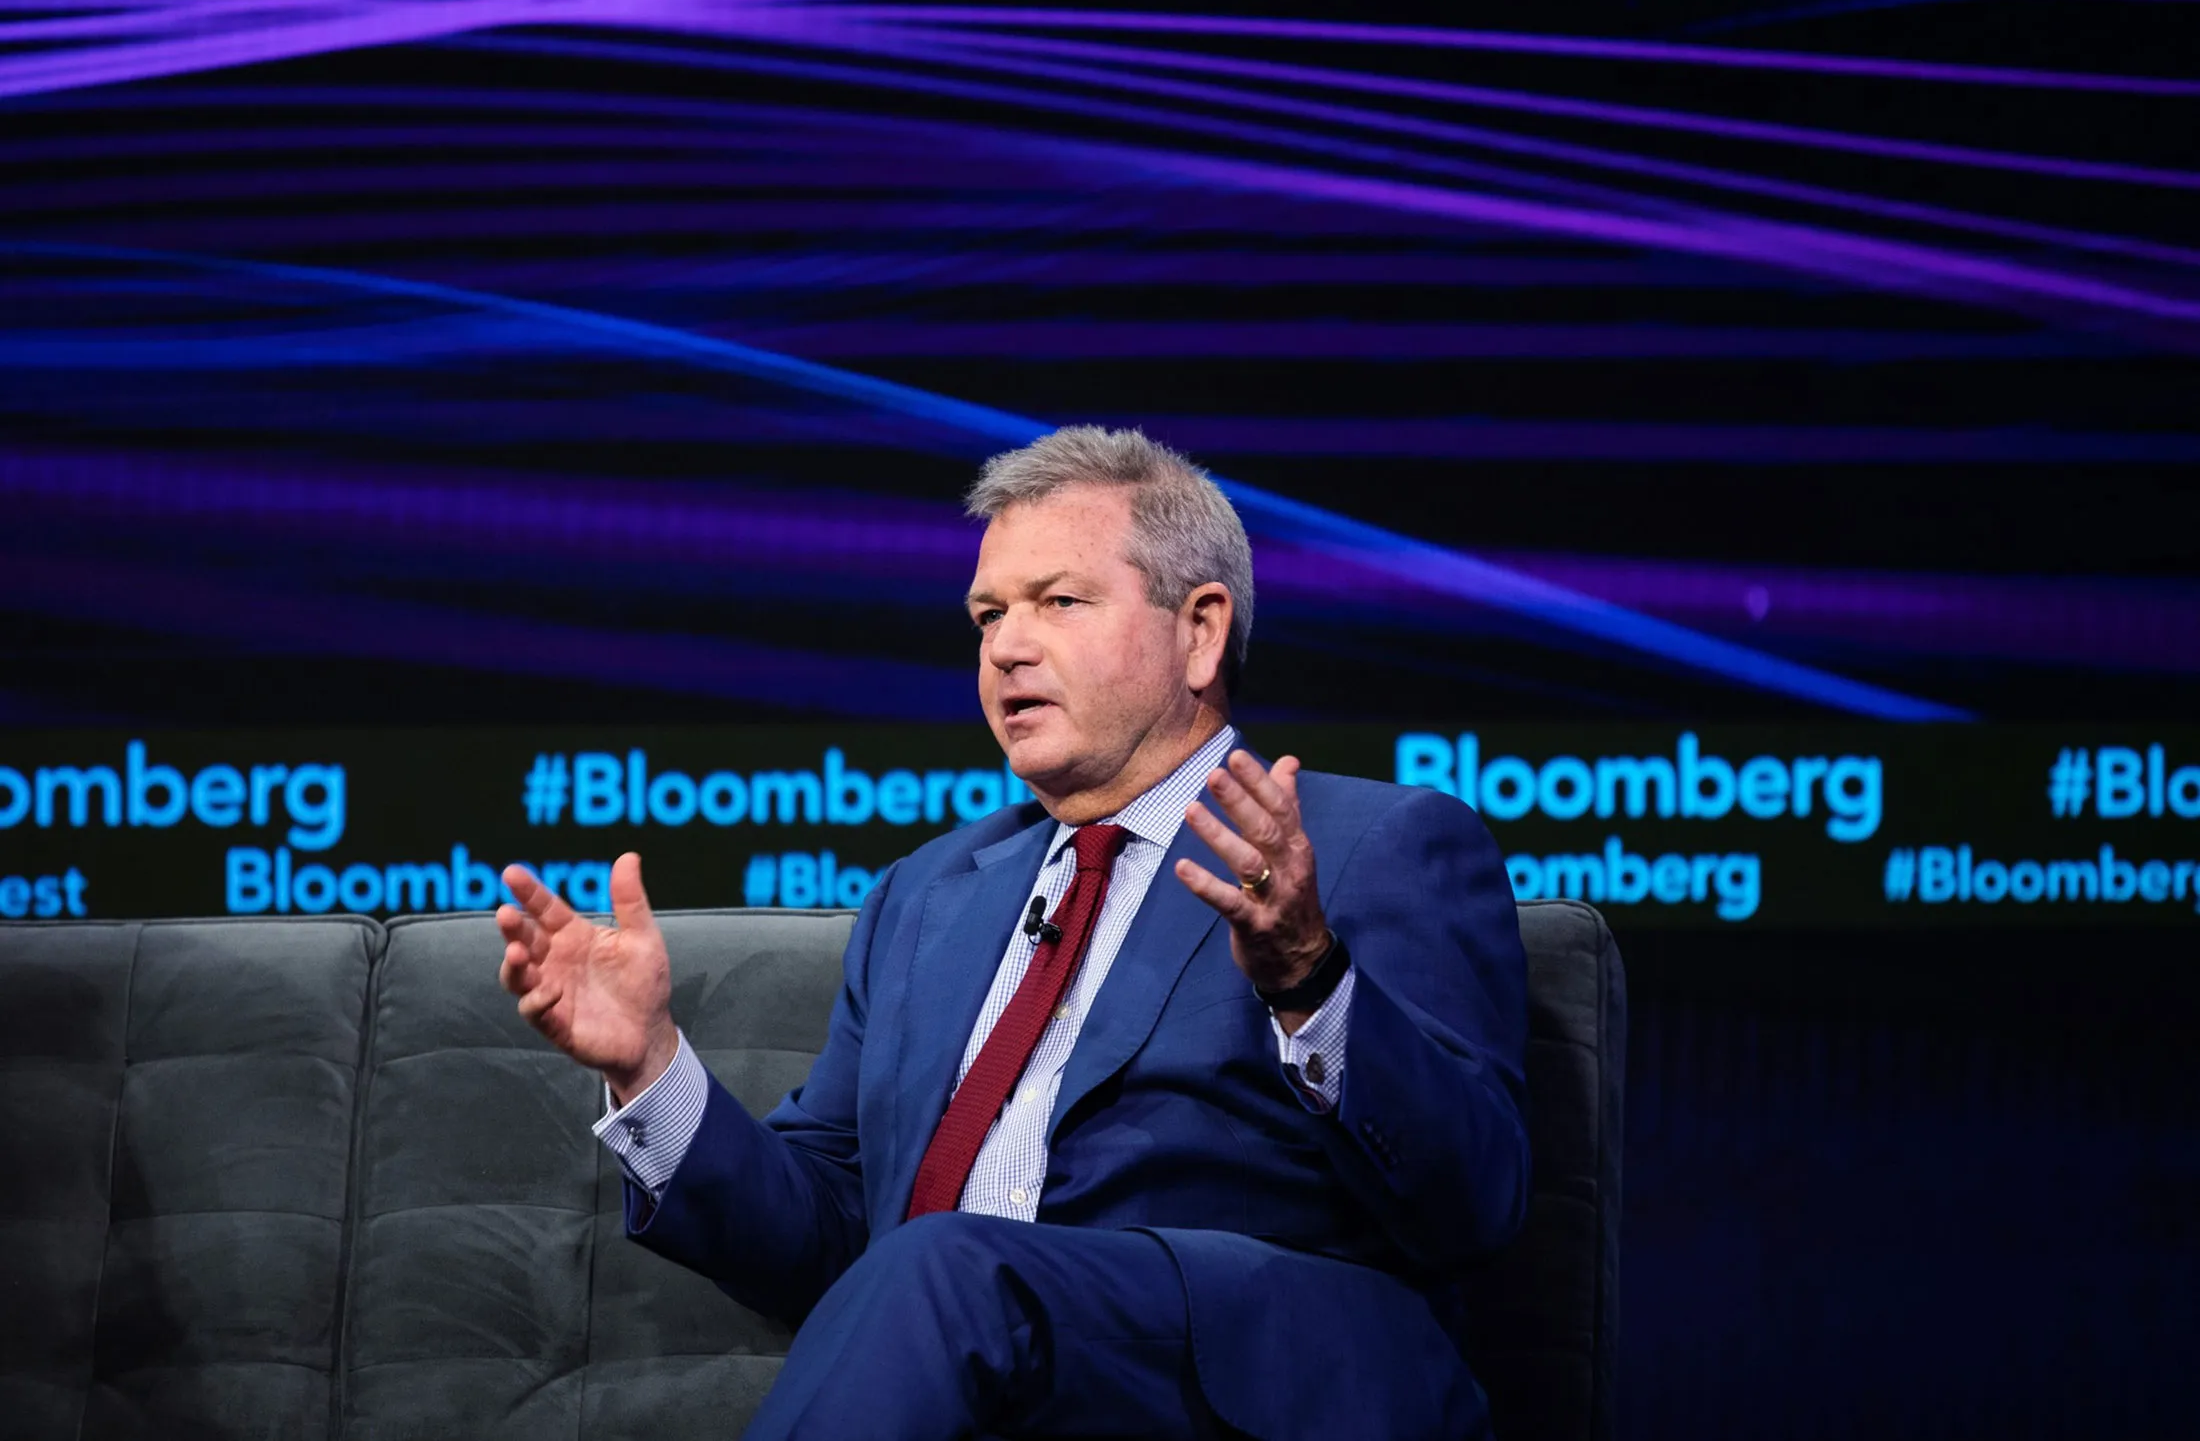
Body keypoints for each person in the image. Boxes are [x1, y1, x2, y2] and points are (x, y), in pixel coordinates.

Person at [495, 426, 1531, 1440]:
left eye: (1059, 603)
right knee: (931, 1266)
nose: (1006, 648)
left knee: (946, 1264)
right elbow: (823, 1241)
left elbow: (1473, 1202)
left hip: (1238, 1378)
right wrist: (651, 1069)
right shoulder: (926, 894)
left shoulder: (1371, 845)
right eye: (987, 616)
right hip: (968, 1363)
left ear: (1201, 630)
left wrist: (1311, 979)